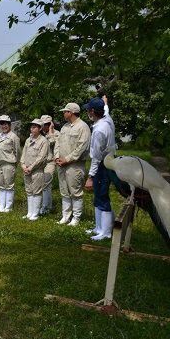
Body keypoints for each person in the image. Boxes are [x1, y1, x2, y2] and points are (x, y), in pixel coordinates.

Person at [83, 97, 116, 240]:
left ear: (92, 112)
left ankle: (106, 232)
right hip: (109, 161)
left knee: (102, 196)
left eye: (88, 110)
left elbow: (96, 157)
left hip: (102, 165)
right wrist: (106, 103)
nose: (87, 113)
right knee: (98, 196)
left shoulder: (99, 131)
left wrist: (90, 177)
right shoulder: (107, 119)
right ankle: (99, 228)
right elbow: (107, 111)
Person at [55, 103, 91, 226]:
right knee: (64, 191)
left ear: (70, 112)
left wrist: (68, 159)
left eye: (65, 111)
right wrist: (57, 158)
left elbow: (82, 148)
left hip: (75, 165)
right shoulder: (64, 127)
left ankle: (76, 217)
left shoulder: (83, 127)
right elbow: (57, 143)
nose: (63, 113)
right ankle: (66, 216)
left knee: (75, 192)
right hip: (61, 164)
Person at [20, 119, 49, 221]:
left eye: (34, 127)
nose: (32, 129)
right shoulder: (28, 140)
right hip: (27, 169)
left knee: (36, 191)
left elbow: (41, 157)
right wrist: (24, 166)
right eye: (31, 127)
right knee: (29, 190)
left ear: (40, 128)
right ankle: (30, 212)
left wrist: (31, 168)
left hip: (36, 170)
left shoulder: (43, 141)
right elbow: (23, 154)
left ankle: (35, 213)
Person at [0, 115, 21, 212]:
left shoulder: (13, 137)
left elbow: (17, 152)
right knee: (0, 184)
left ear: (9, 125)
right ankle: (2, 206)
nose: (3, 126)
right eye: (1, 124)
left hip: (9, 164)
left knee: (9, 185)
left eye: (5, 124)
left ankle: (8, 207)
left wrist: (14, 163)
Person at [40, 115, 57, 214]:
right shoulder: (39, 134)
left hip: (50, 162)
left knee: (46, 185)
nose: (43, 126)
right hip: (40, 163)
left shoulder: (56, 134)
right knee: (39, 185)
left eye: (46, 124)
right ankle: (40, 205)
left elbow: (51, 142)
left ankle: (46, 208)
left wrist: (50, 131)